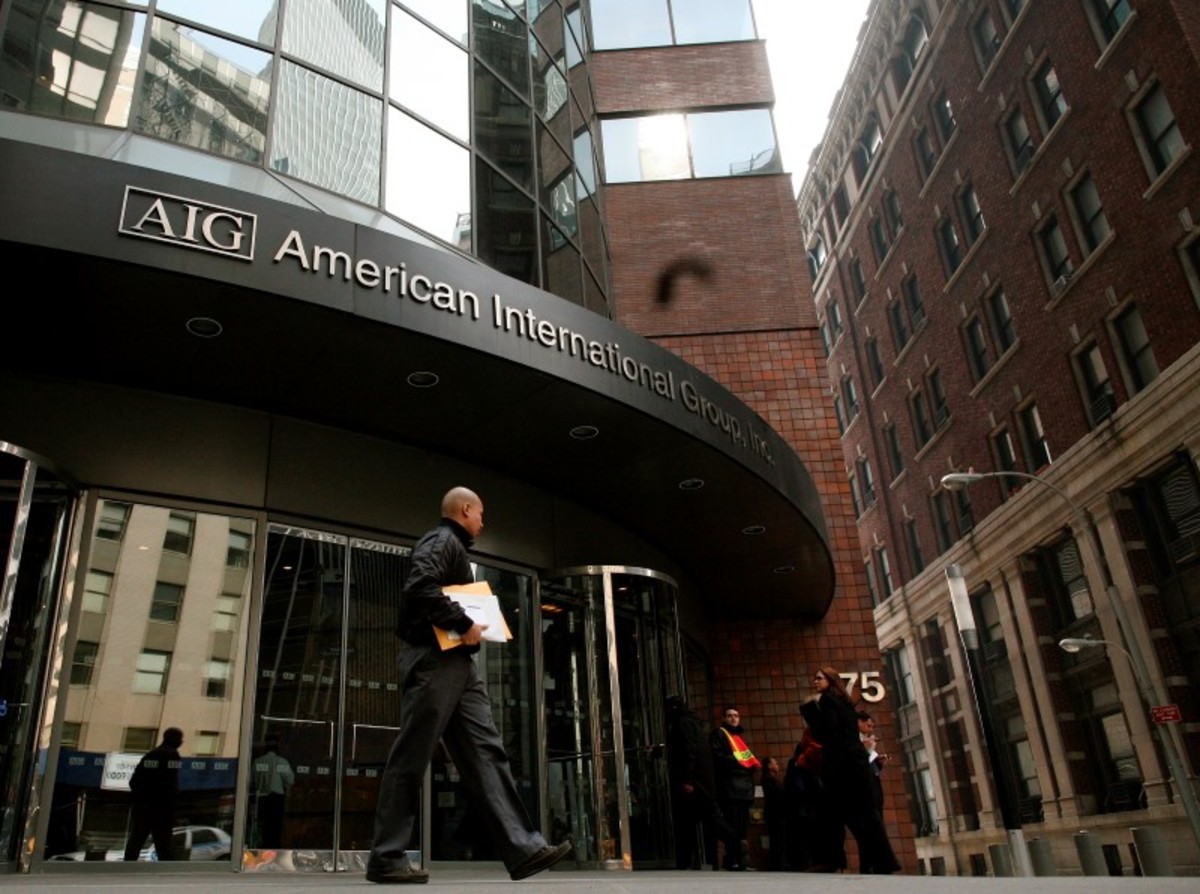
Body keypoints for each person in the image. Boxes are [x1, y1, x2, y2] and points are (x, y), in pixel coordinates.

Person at [367, 486, 571, 884]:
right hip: (434, 660)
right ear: (464, 509)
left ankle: (523, 848)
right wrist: (463, 622)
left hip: (456, 663)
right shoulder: (442, 540)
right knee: (412, 755)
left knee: (486, 752)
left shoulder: (451, 546)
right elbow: (419, 587)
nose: (482, 521)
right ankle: (386, 857)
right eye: (480, 514)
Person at [800, 667, 899, 875]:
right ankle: (881, 862)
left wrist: (809, 707)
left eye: (819, 678)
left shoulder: (827, 701)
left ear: (830, 680)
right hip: (855, 765)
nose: (815, 681)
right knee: (861, 815)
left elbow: (825, 731)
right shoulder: (845, 702)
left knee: (832, 814)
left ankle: (832, 861)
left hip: (841, 767)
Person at [664, 695, 740, 870]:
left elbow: (688, 751)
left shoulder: (683, 724)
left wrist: (687, 778)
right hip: (702, 782)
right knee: (693, 822)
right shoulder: (693, 724)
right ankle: (688, 861)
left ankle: (732, 846)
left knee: (702, 821)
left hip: (695, 784)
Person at [709, 706, 760, 870]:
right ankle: (732, 859)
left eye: (736, 716)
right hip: (730, 787)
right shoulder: (720, 734)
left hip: (742, 789)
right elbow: (719, 758)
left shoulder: (737, 737)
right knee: (732, 824)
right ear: (723, 719)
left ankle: (739, 860)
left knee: (741, 827)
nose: (733, 718)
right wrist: (741, 762)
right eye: (730, 716)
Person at [124, 727, 183, 862]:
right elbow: (169, 784)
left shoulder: (154, 754)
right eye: (179, 739)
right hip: (158, 809)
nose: (181, 742)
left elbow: (134, 782)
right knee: (163, 845)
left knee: (137, 841)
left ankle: (127, 868)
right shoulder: (169, 755)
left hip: (147, 808)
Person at [252, 734, 295, 848]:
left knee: (262, 829)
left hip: (261, 800)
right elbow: (290, 780)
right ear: (278, 746)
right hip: (276, 800)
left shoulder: (257, 762)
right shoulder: (281, 761)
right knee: (275, 831)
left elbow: (252, 781)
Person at [760, 756, 788, 871]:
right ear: (769, 766)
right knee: (777, 838)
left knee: (776, 838)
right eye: (775, 763)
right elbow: (778, 796)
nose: (777, 765)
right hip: (775, 813)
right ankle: (777, 864)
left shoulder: (768, 779)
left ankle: (777, 863)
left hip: (773, 813)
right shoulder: (769, 780)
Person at [857, 710, 887, 816]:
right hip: (865, 781)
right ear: (859, 722)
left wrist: (877, 759)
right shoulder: (855, 740)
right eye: (868, 726)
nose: (870, 730)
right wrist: (868, 749)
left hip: (874, 778)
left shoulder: (866, 739)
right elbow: (860, 760)